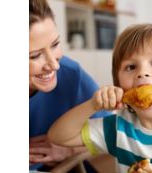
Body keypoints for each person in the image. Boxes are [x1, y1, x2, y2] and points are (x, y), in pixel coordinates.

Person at [48, 24, 152, 173]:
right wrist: (92, 105)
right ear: (119, 84)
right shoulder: (118, 128)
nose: (142, 73)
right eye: (131, 67)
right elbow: (58, 136)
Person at [29, 0, 109, 171]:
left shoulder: (70, 74)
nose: (54, 65)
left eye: (55, 44)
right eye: (35, 56)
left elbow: (112, 134)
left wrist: (69, 149)